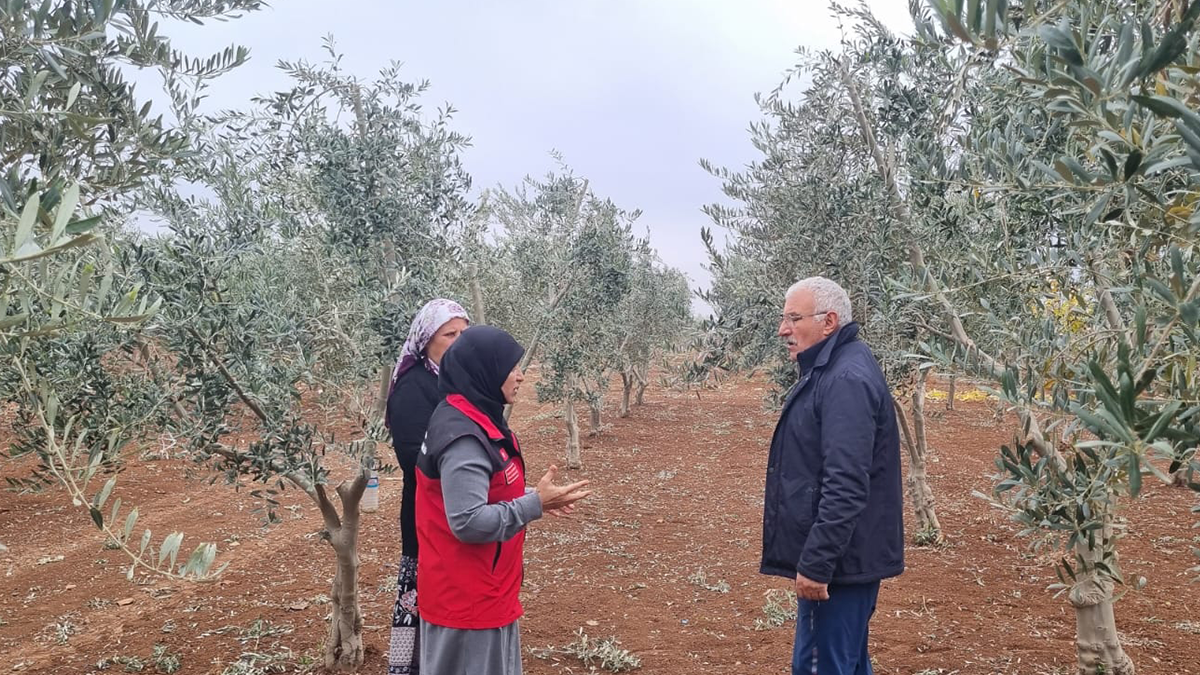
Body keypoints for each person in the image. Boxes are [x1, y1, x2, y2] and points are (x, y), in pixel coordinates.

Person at [416, 325, 591, 675]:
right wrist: (533, 505)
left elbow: (483, 493)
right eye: (511, 367)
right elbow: (467, 521)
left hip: (485, 592)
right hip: (467, 601)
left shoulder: (473, 419)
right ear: (485, 369)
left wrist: (540, 498)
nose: (521, 376)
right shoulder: (464, 437)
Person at [762, 276, 904, 675]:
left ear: (829, 321)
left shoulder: (845, 380)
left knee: (820, 666)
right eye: (783, 318)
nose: (783, 329)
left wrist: (817, 563)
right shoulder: (836, 368)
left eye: (794, 318)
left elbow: (845, 484)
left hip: (840, 564)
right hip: (849, 557)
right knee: (848, 663)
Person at [386, 299, 470, 675]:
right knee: (425, 593)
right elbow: (410, 455)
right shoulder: (413, 386)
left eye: (464, 333)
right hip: (427, 512)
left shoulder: (460, 380)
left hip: (463, 507)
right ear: (426, 341)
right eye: (449, 334)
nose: (458, 341)